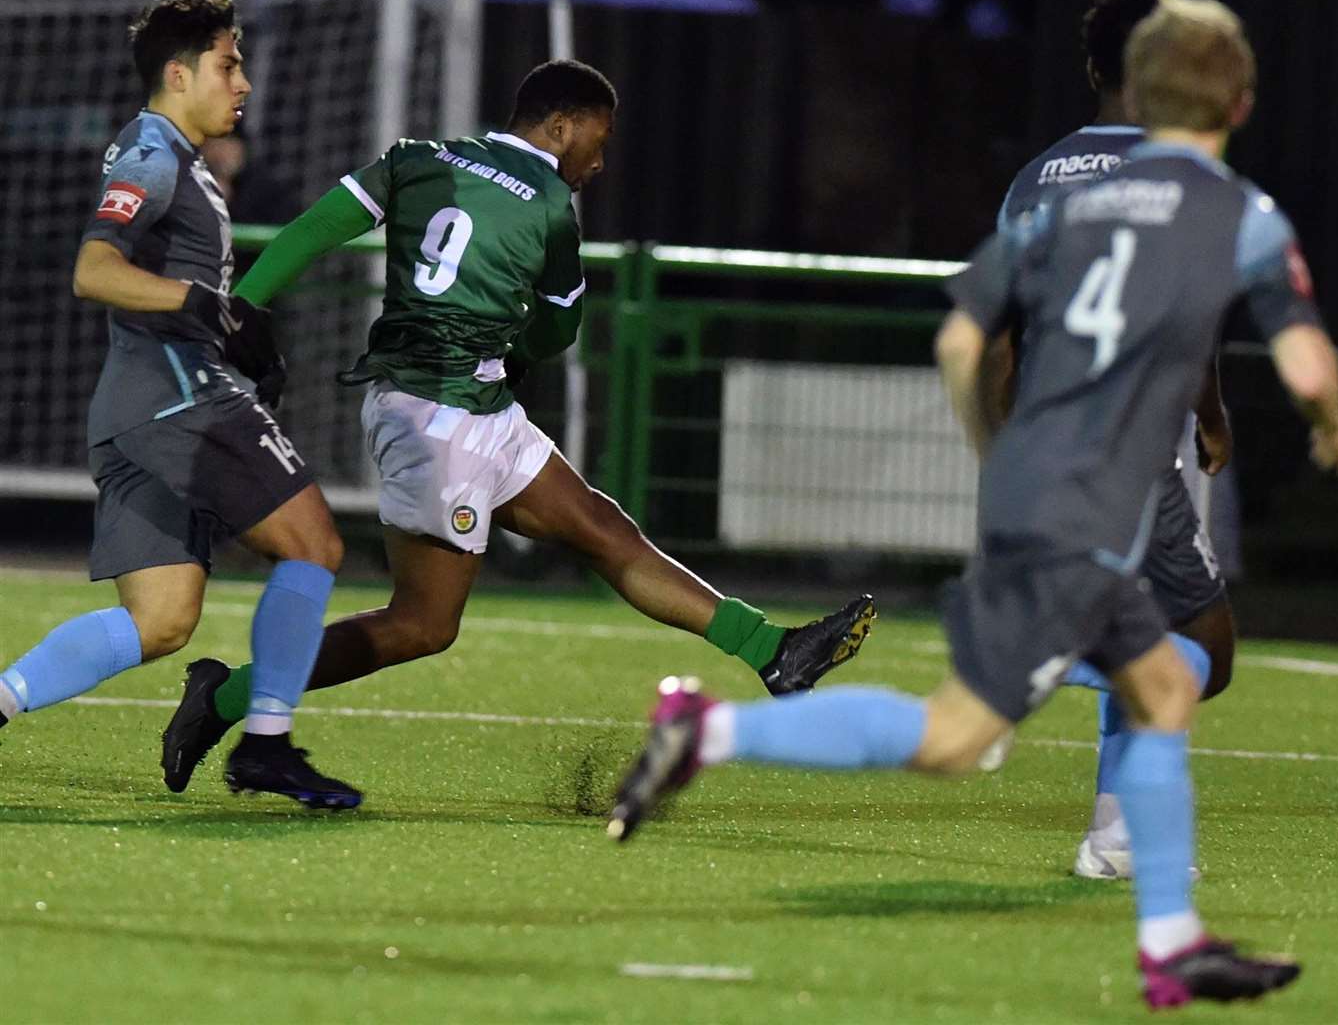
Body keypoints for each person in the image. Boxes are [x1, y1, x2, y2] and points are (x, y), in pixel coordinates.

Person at [607, 0, 1338, 1010]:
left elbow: (967, 338)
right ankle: (724, 731)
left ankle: (1164, 930)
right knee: (1007, 719)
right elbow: (1296, 354)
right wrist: (1323, 418)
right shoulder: (1229, 202)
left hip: (1044, 467)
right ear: (1229, 98)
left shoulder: (1051, 184)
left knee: (1146, 682)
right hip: (1119, 483)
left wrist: (999, 450)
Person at [158, 59, 876, 792]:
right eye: (597, 141)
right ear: (559, 125)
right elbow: (560, 327)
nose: (597, 161)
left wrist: (239, 305)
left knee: (601, 528)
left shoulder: (418, 159)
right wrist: (523, 352)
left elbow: (313, 230)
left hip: (471, 404)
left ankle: (772, 652)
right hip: (435, 417)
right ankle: (223, 697)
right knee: (423, 625)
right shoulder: (548, 207)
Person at [0, 0, 360, 809]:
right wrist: (201, 308)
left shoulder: (183, 159)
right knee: (316, 547)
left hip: (133, 409)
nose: (244, 82)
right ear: (178, 72)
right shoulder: (152, 154)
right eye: (229, 63)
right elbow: (95, 270)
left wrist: (223, 321)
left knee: (160, 622)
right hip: (180, 402)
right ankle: (265, 745)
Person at [988, 0, 1238, 882]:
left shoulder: (1038, 175)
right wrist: (1211, 412)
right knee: (1207, 649)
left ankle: (1113, 837)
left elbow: (1002, 338)